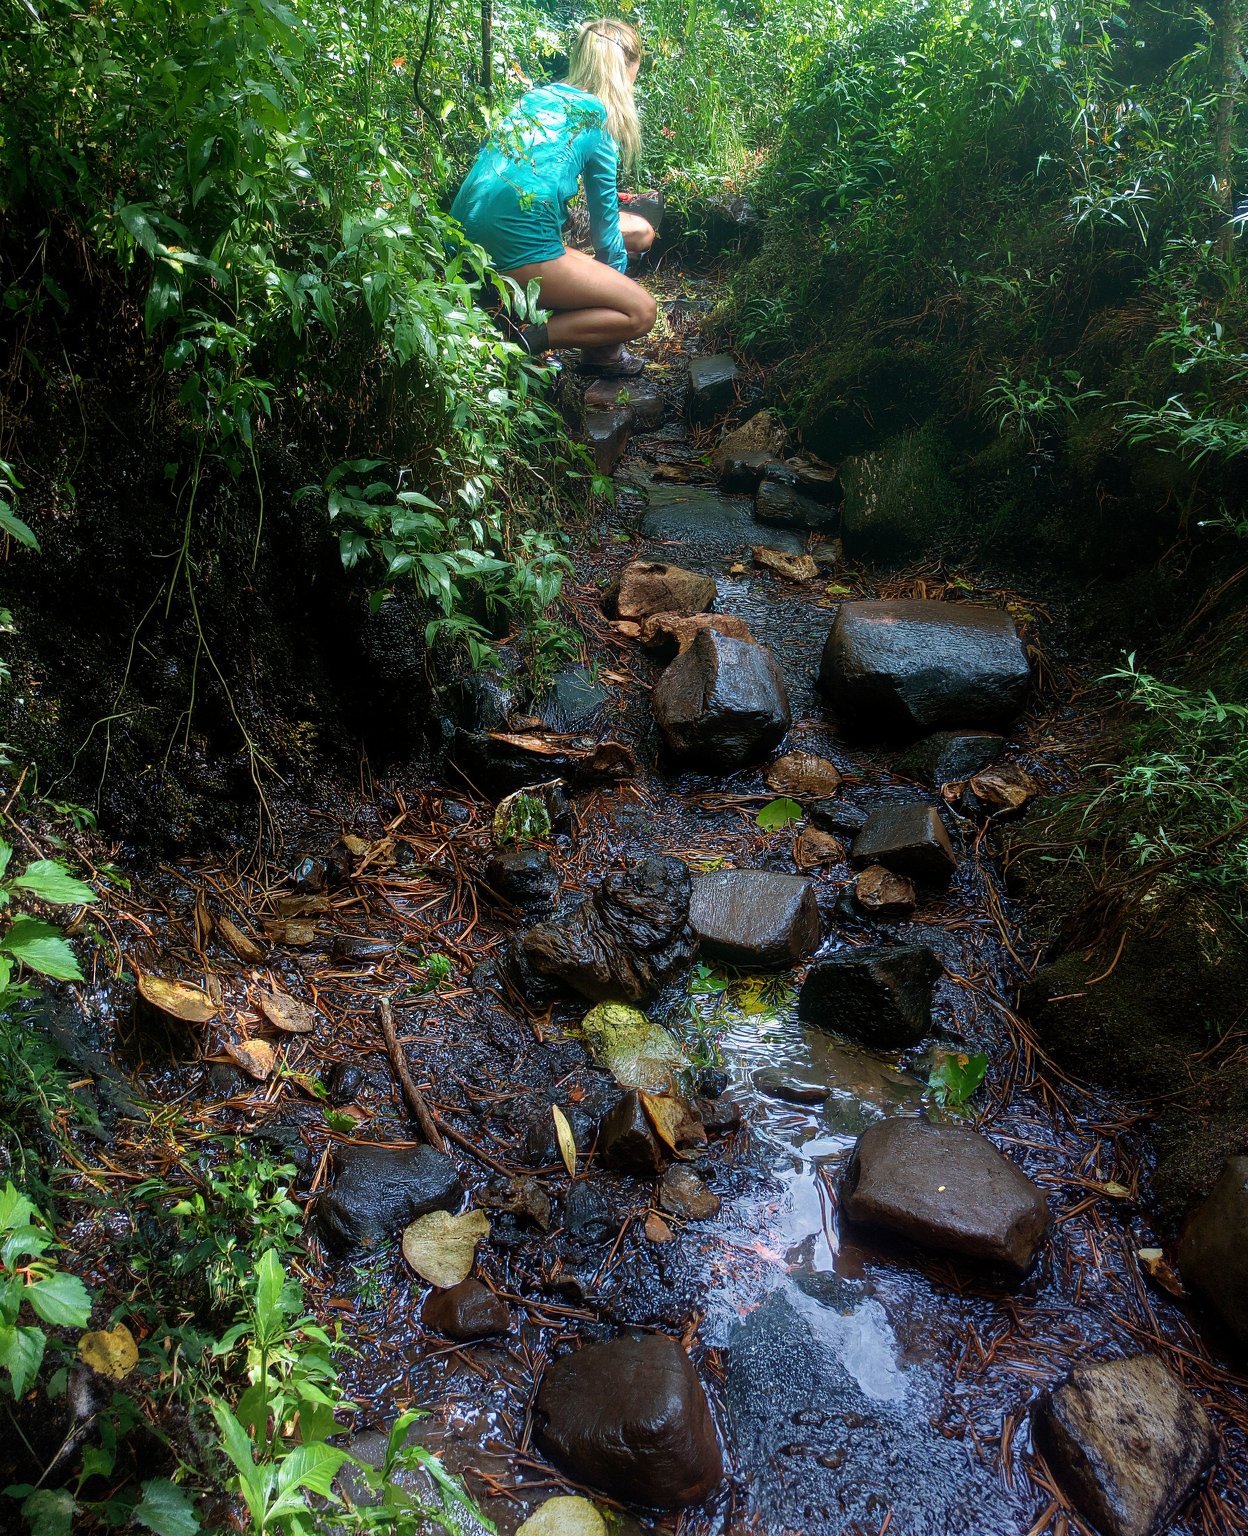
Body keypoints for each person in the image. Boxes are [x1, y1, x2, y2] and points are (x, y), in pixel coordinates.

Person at [450, 18, 657, 375]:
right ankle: (526, 339)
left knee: (638, 233)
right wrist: (612, 315)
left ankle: (522, 316)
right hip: (517, 248)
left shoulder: (537, 97)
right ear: (626, 69)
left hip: (461, 239)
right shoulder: (600, 121)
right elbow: (605, 237)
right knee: (641, 311)